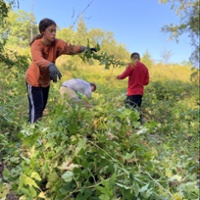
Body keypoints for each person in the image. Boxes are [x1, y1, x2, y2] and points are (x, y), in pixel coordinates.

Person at [25, 18, 97, 123]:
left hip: (45, 82)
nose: (54, 33)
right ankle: (31, 133)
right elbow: (37, 59)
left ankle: (35, 129)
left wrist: (84, 49)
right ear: (43, 32)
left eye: (55, 31)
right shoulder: (36, 45)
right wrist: (50, 65)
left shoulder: (57, 43)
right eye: (51, 31)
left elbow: (70, 48)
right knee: (36, 110)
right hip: (33, 81)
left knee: (42, 107)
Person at [116, 52, 149, 122]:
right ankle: (139, 126)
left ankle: (132, 126)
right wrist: (139, 81)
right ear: (139, 58)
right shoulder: (145, 67)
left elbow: (124, 75)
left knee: (128, 110)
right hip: (140, 93)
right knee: (137, 110)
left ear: (132, 59)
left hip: (132, 92)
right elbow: (146, 82)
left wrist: (118, 77)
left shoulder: (132, 65)